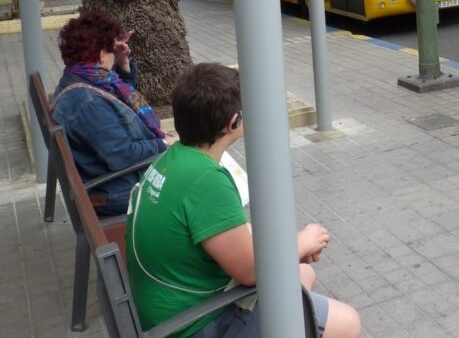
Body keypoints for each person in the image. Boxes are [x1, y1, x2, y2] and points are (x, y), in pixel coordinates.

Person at [126, 63, 361, 338]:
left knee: (302, 275)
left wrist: (291, 252)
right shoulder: (205, 180)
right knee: (347, 322)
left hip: (170, 308)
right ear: (233, 122)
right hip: (195, 324)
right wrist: (303, 240)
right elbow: (251, 272)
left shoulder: (174, 158)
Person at [51, 10, 172, 216]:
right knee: (201, 182)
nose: (113, 55)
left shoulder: (80, 78)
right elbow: (123, 155)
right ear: (100, 54)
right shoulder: (86, 103)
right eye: (111, 50)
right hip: (118, 192)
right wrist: (164, 144)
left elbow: (118, 103)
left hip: (112, 182)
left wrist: (123, 65)